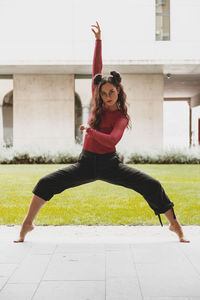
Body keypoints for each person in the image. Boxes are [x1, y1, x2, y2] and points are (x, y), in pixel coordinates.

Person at [14, 21, 190, 243]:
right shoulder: (98, 104)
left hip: (110, 165)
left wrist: (90, 131)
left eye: (111, 92)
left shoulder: (121, 117)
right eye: (104, 93)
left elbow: (111, 141)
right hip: (85, 164)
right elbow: (96, 68)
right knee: (45, 183)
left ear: (118, 92)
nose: (107, 96)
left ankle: (175, 225)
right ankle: (27, 224)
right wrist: (98, 41)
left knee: (152, 185)